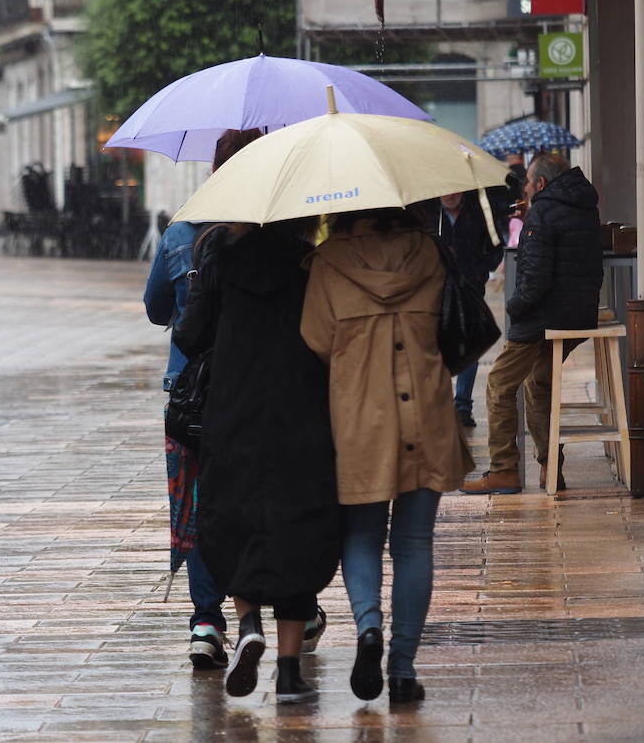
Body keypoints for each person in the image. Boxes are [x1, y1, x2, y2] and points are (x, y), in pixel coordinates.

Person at [301, 207, 471, 704]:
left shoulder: (328, 263)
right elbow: (450, 327)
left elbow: (315, 340)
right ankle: (402, 668)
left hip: (359, 419)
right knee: (415, 541)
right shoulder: (430, 253)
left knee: (362, 534)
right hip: (428, 413)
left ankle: (369, 628)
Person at [175, 214, 340, 705]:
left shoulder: (219, 257)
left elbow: (190, 334)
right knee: (296, 523)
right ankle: (289, 669)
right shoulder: (309, 261)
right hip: (300, 407)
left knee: (232, 516)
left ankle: (247, 624)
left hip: (234, 406)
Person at [142, 129, 256, 671]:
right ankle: (268, 610)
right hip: (258, 390)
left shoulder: (181, 231)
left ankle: (207, 621)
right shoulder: (273, 233)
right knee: (257, 502)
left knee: (194, 509)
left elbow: (157, 308)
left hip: (187, 394)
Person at [462, 154, 602, 494]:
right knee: (538, 383)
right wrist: (533, 222)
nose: (523, 187)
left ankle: (503, 469)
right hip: (577, 313)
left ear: (540, 184)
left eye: (527, 182)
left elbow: (535, 280)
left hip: (543, 316)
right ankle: (550, 467)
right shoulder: (582, 205)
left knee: (498, 383)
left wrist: (514, 306)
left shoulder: (543, 211)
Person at [438, 191, 504, 428]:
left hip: (471, 288)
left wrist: (481, 270)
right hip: (436, 287)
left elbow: (496, 245)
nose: (449, 195)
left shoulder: (480, 209)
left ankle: (462, 406)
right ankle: (440, 405)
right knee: (436, 345)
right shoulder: (429, 213)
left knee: (469, 342)